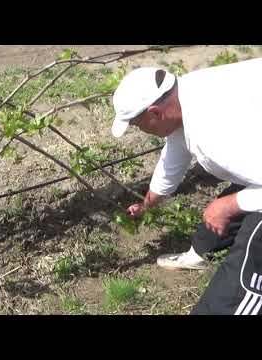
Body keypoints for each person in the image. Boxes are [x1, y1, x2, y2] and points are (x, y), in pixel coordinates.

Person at [111, 58, 262, 315]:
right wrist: (147, 205)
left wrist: (229, 205)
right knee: (236, 196)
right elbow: (173, 159)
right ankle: (198, 254)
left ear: (155, 113)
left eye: (138, 126)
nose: (141, 132)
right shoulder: (187, 94)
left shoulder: (215, 134)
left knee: (247, 265)